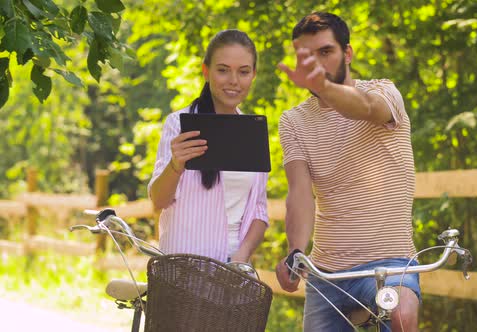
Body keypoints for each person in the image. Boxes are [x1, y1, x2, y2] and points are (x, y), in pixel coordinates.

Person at [274, 12, 420, 332]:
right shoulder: (293, 121)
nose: (317, 64)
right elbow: (299, 192)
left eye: (325, 52)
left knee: (402, 317)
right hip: (327, 273)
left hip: (390, 264)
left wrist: (323, 87)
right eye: (308, 57)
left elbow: (366, 109)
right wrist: (295, 252)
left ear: (348, 53)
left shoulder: (384, 92)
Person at [148, 29, 268, 264]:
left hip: (234, 274)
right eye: (223, 70)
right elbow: (158, 201)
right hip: (183, 270)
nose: (233, 81)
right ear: (206, 71)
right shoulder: (180, 124)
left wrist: (240, 258)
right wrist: (175, 165)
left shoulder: (252, 131)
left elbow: (259, 212)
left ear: (253, 74)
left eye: (243, 72)